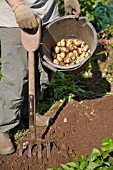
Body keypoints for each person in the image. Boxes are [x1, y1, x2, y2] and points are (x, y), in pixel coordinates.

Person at [0, 0, 80, 155]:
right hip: (15, 17)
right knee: (15, 78)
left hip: (49, 15)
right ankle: (3, 125)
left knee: (44, 70)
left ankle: (28, 112)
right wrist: (17, 6)